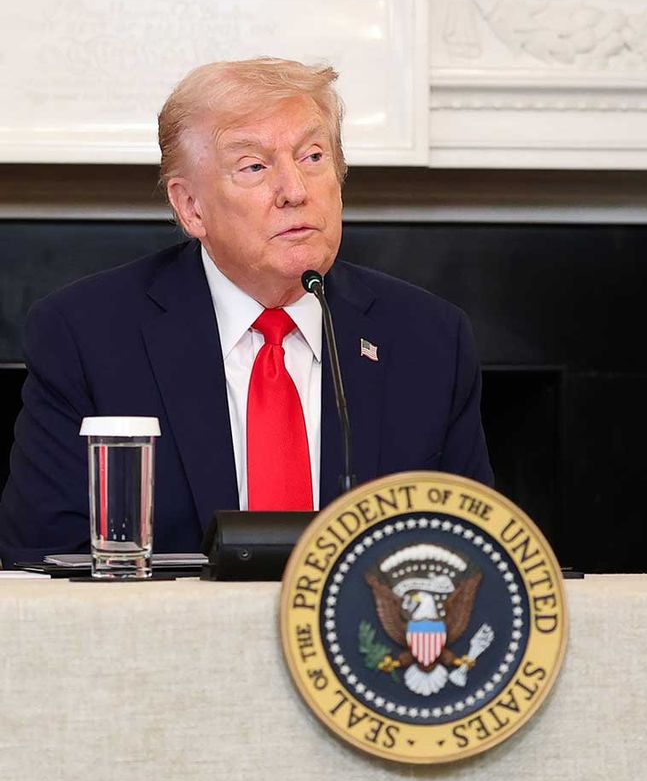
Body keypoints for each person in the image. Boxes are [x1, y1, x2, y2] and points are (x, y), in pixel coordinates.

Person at [0, 58, 492, 565]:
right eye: (255, 166)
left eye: (313, 156)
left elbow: (473, 555)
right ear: (191, 207)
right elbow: (41, 564)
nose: (296, 191)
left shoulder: (429, 339)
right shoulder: (88, 335)